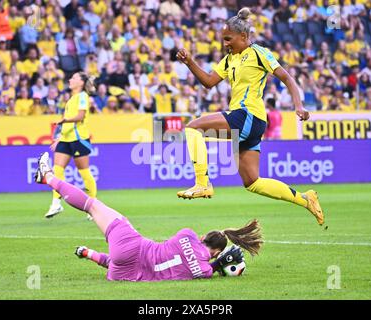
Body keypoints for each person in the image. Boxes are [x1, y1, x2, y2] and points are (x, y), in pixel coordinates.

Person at [175, 8, 325, 226]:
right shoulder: (229, 60)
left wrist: (298, 105)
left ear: (243, 37)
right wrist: (190, 63)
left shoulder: (259, 53)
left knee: (193, 128)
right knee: (252, 182)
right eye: (223, 40)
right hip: (247, 120)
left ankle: (202, 183)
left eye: (228, 39)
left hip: (248, 115)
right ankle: (306, 199)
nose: (225, 43)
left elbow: (287, 78)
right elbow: (208, 82)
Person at [35, 152, 262, 282]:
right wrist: (218, 263)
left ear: (204, 237)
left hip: (134, 247)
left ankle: (47, 177)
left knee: (92, 206)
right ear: (217, 253)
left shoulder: (188, 234)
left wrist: (215, 259)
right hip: (124, 274)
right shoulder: (203, 272)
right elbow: (207, 268)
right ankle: (89, 253)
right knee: (117, 258)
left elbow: (193, 252)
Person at [46, 72, 97, 219]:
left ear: (81, 83)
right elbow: (70, 123)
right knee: (57, 171)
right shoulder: (71, 99)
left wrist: (64, 120)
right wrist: (59, 137)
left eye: (74, 78)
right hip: (66, 138)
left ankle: (93, 206)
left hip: (79, 139)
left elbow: (80, 117)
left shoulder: (82, 97)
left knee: (84, 173)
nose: (70, 79)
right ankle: (56, 203)